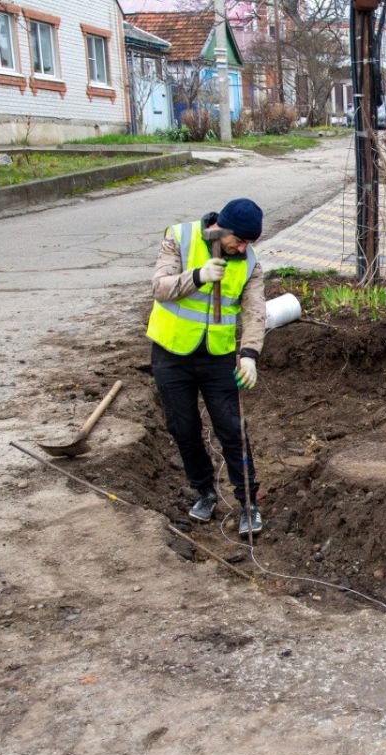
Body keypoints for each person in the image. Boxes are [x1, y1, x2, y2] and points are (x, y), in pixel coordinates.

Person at [147, 198, 265, 536]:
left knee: (231, 429)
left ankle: (248, 503)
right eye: (238, 240)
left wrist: (250, 354)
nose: (241, 248)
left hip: (217, 356)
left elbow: (255, 311)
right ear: (221, 228)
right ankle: (205, 492)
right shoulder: (179, 238)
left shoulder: (250, 262)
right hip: (171, 354)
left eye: (247, 243)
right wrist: (197, 276)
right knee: (182, 427)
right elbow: (160, 288)